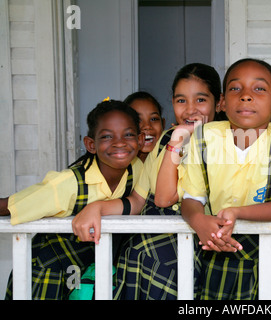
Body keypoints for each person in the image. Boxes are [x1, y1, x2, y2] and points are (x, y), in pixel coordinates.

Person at [72, 63, 224, 300]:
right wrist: (97, 207)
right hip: (142, 252)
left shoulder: (223, 144)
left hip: (187, 250)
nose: (190, 110)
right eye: (181, 100)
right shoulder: (164, 138)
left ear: (220, 103)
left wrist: (177, 142)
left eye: (201, 100)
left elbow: (164, 199)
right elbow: (138, 200)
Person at [180, 58, 271, 300]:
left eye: (259, 88)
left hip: (268, 254)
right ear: (222, 102)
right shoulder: (203, 137)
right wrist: (198, 220)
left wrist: (237, 212)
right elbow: (191, 198)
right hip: (214, 249)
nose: (246, 96)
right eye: (235, 88)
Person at [1, 99, 144, 300]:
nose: (119, 142)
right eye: (107, 136)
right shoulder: (69, 183)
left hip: (84, 271)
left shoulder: (137, 169)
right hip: (47, 270)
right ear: (91, 145)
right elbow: (9, 206)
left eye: (128, 134)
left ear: (140, 139)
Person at [124, 91, 165, 162]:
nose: (147, 126)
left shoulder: (172, 158)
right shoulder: (118, 166)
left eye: (154, 119)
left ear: (163, 124)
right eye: (137, 120)